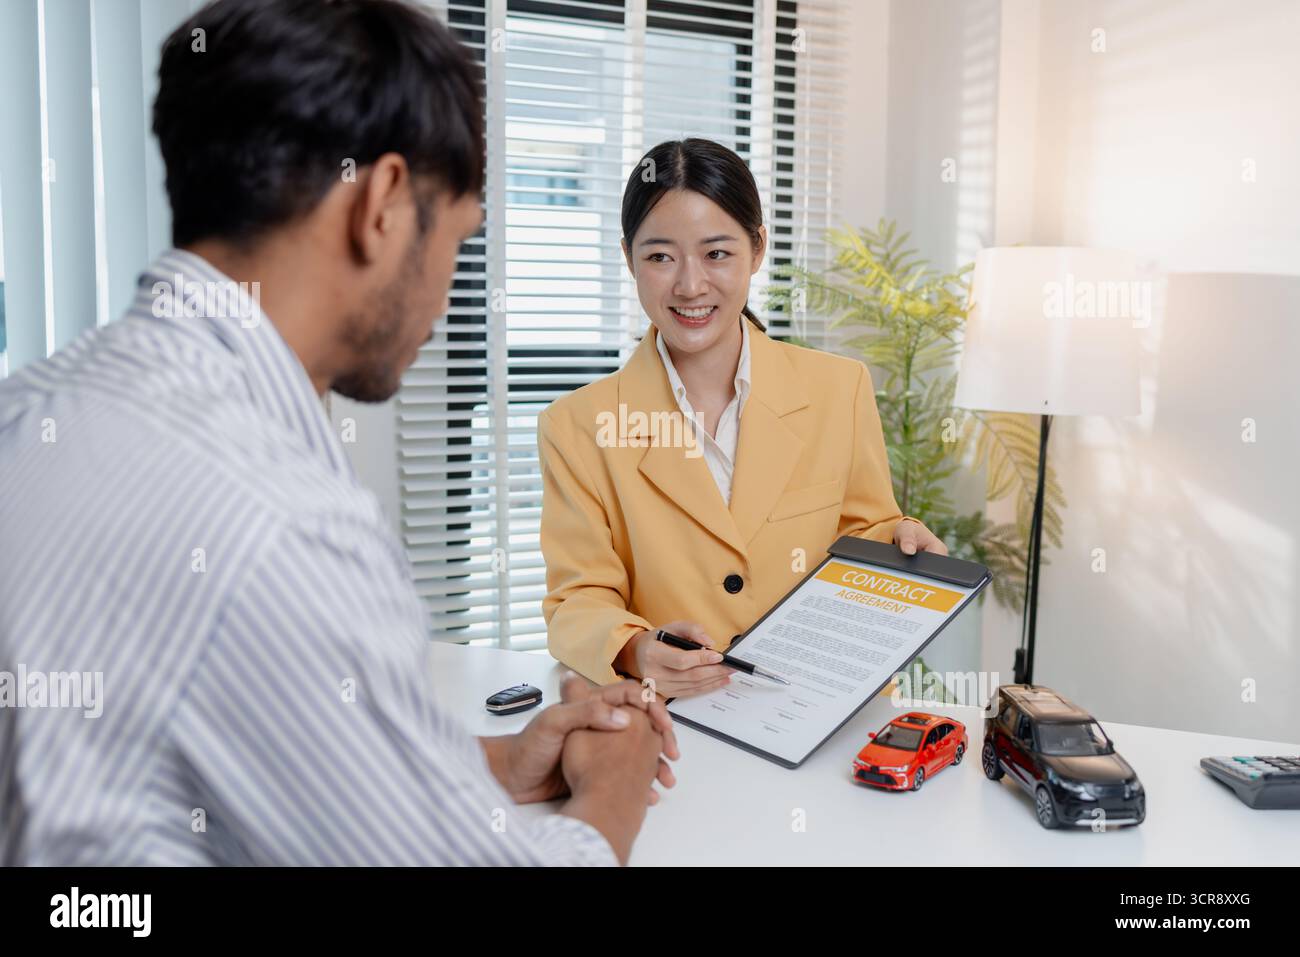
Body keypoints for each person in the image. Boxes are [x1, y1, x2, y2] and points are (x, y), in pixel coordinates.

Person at [0, 0, 675, 866]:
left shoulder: (32, 410)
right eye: (461, 239)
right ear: (384, 204)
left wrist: (503, 759)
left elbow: (188, 749)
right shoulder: (282, 526)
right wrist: (617, 782)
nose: (447, 295)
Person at [539, 138, 948, 697]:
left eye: (716, 253)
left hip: (823, 708)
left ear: (757, 249)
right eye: (660, 256)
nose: (689, 285)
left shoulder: (838, 388)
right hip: (673, 720)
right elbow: (577, 599)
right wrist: (634, 649)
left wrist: (897, 541)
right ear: (628, 257)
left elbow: (862, 534)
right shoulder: (578, 425)